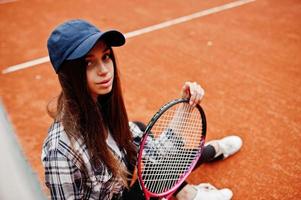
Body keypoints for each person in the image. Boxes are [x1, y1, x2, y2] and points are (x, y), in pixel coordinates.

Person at [41, 19, 242, 200]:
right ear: (68, 74)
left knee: (143, 137)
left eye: (106, 56)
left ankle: (211, 154)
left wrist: (184, 106)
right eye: (88, 63)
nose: (103, 70)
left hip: (123, 189)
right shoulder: (60, 149)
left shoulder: (104, 109)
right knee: (158, 174)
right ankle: (192, 188)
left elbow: (158, 153)